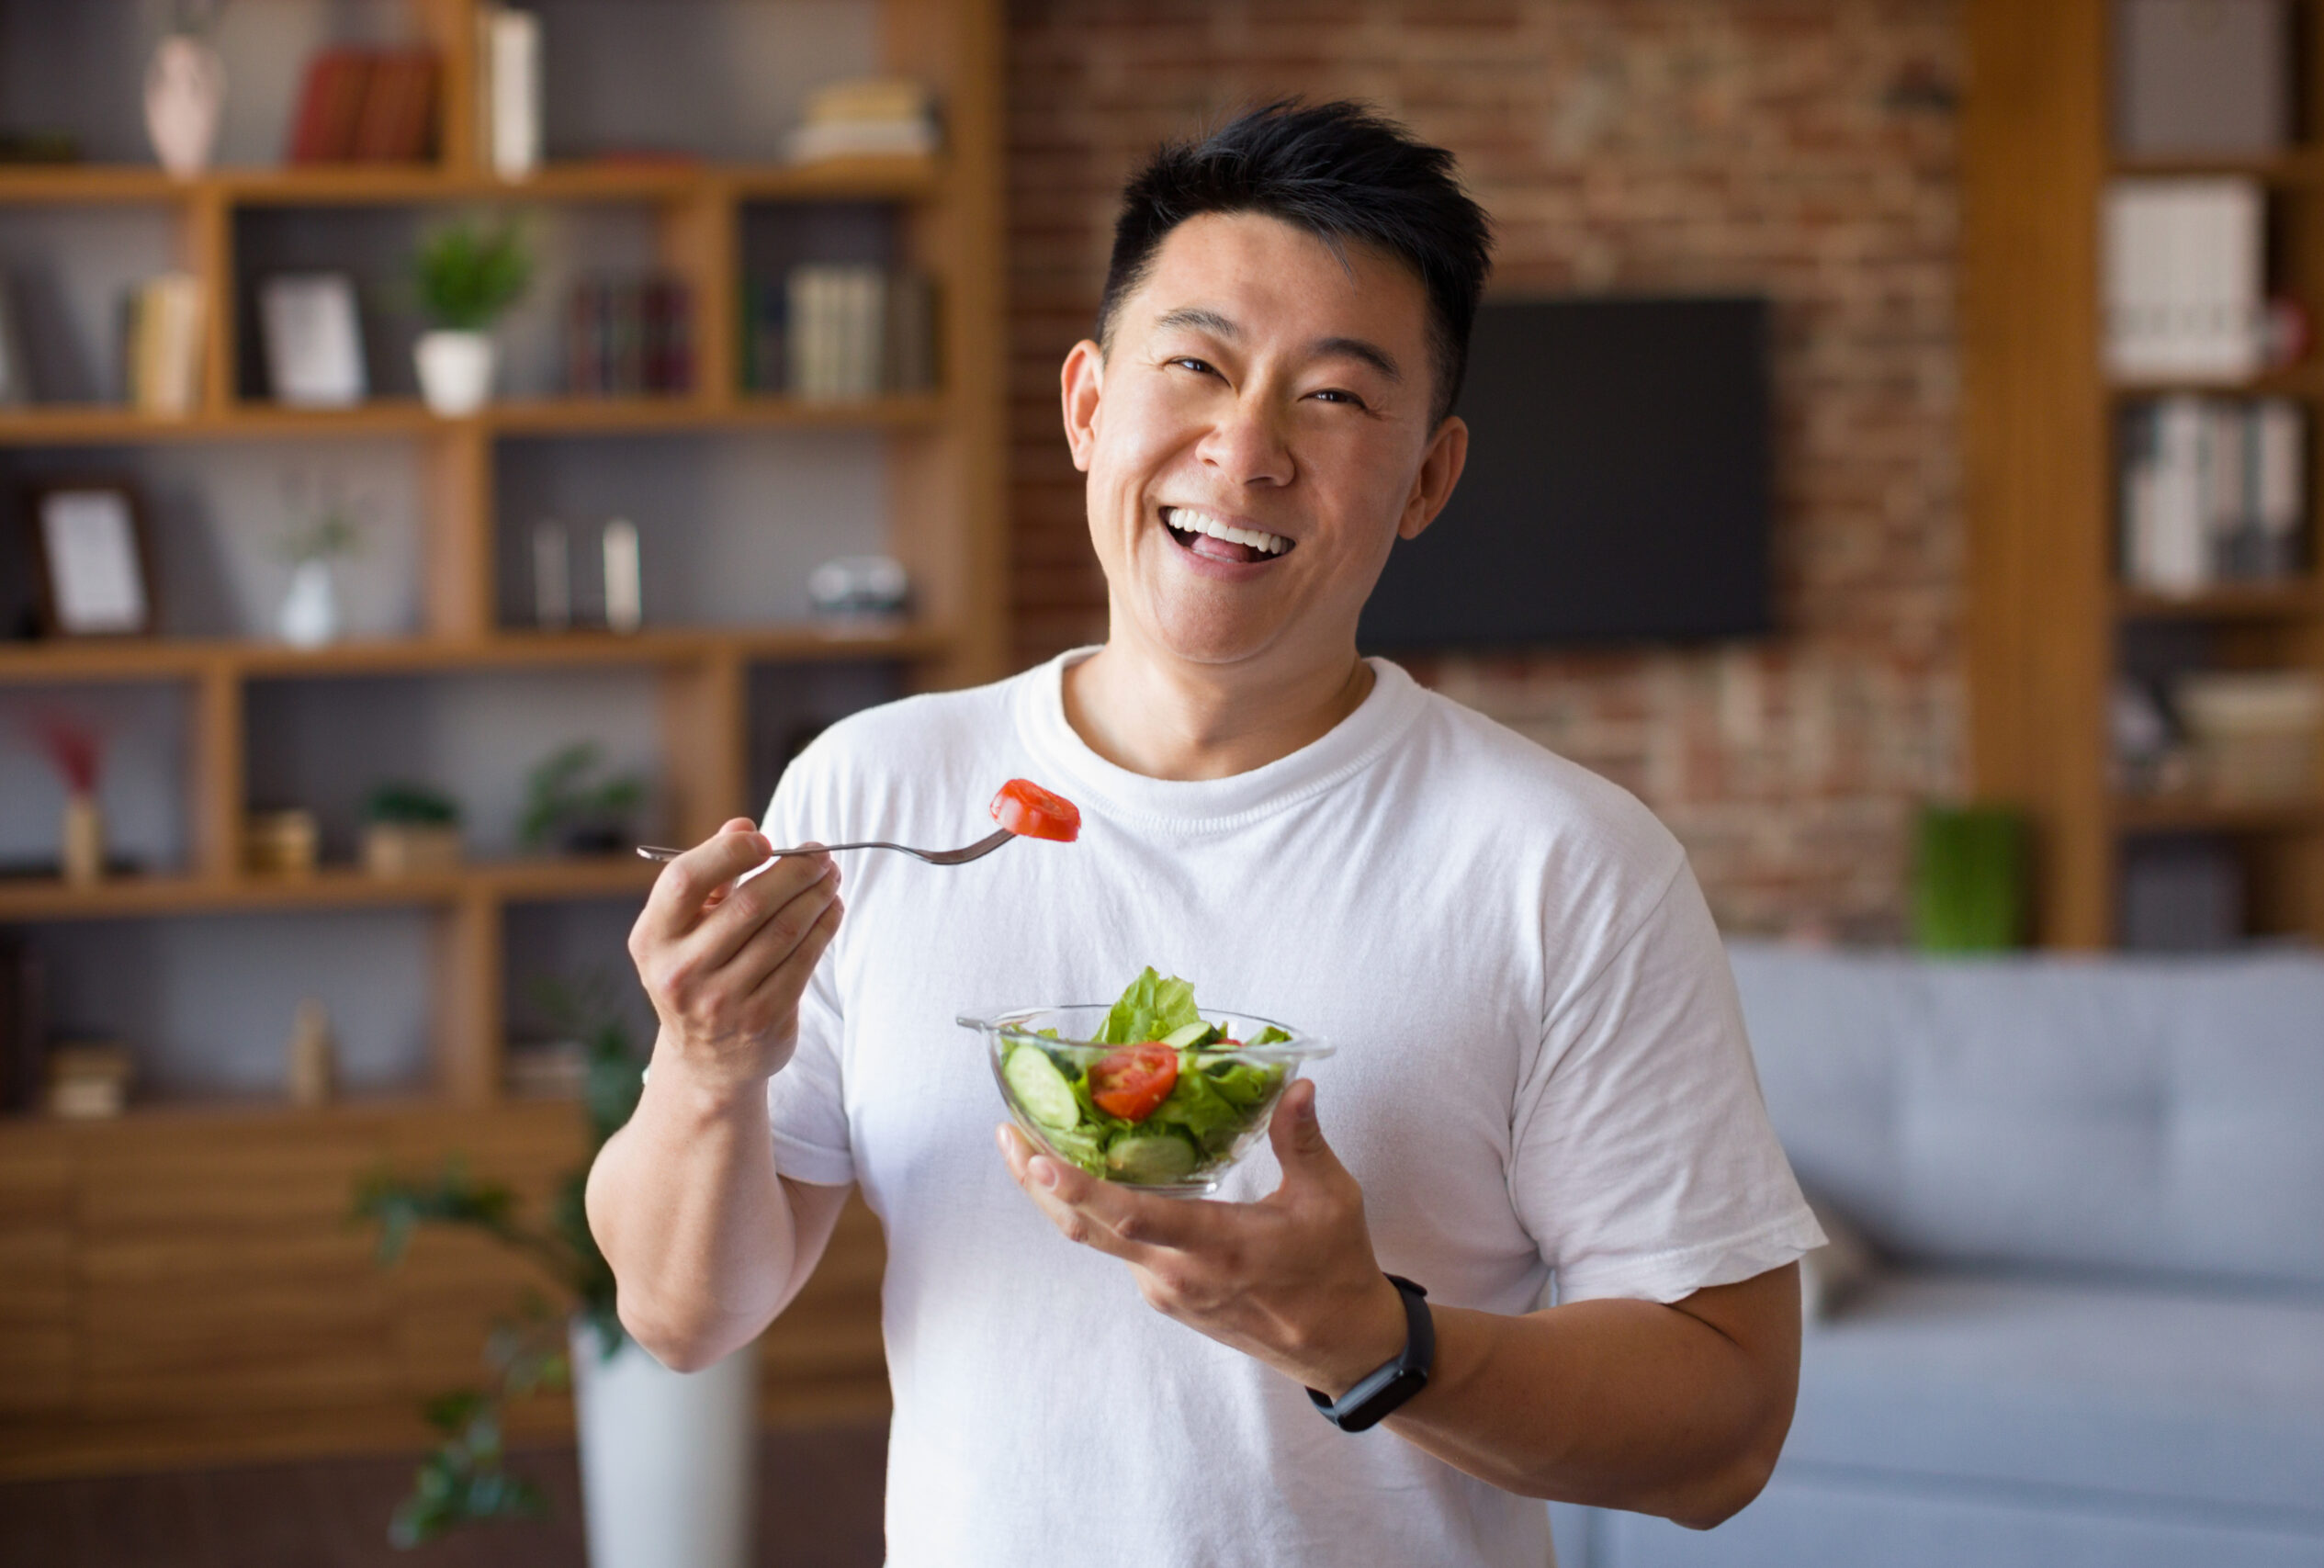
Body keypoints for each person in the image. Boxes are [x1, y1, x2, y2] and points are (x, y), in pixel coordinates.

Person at [587, 99, 1823, 1568]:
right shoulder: (875, 794)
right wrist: (708, 1063)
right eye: (1198, 365)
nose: (1244, 452)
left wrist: (1373, 1339)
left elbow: (1728, 1427)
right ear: (1088, 406)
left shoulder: (1564, 865)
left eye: (1338, 398)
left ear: (1430, 478)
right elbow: (680, 1312)